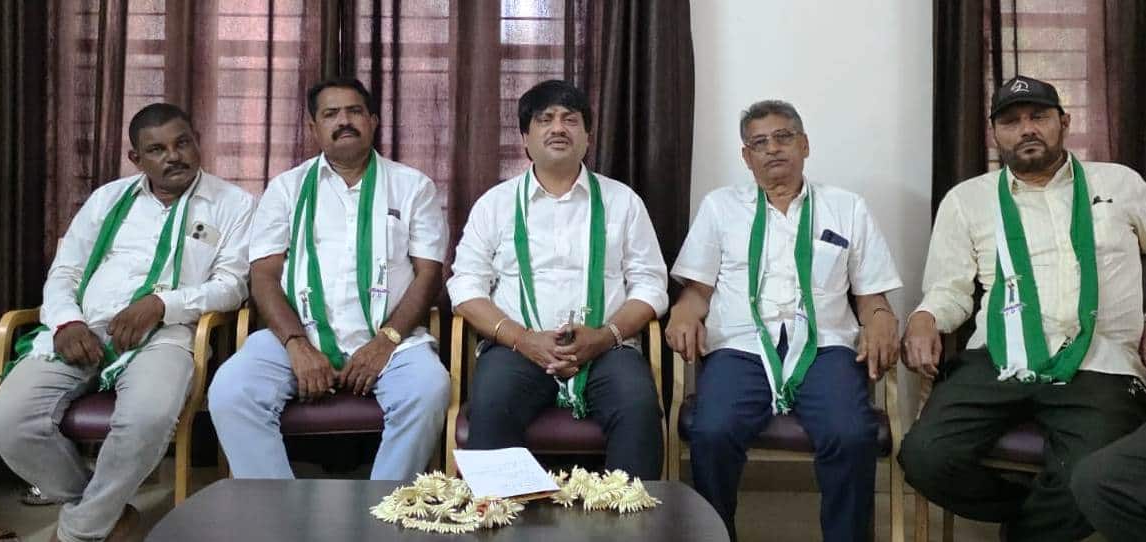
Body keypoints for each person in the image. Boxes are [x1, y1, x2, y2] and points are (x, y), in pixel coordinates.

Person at [898, 75, 1146, 541]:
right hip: (998, 357)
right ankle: (1030, 517)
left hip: (1099, 362)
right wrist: (925, 318)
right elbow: (949, 290)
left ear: (1063, 123)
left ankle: (1039, 523)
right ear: (995, 134)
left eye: (1038, 116)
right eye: (1011, 121)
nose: (1026, 128)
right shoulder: (967, 200)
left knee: (1092, 475)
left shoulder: (1122, 183)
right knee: (925, 458)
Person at [0, 103, 254, 542]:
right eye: (157, 149)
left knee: (148, 417)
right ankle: (107, 516)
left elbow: (232, 285)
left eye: (182, 143)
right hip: (85, 329)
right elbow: (65, 272)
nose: (174, 156)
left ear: (197, 142)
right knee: (7, 419)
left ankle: (78, 532)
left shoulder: (234, 204)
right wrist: (67, 322)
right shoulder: (108, 199)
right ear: (136, 158)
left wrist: (162, 304)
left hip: (167, 335)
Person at [666, 100, 902, 541]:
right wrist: (682, 313)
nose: (772, 148)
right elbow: (697, 292)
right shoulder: (720, 207)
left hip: (824, 347)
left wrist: (881, 318)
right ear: (746, 156)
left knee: (852, 434)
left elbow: (872, 296)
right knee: (711, 431)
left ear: (805, 145)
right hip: (740, 347)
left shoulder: (847, 207)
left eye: (783, 137)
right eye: (759, 142)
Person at [207, 78, 450, 480]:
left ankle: (384, 507)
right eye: (331, 114)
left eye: (354, 111)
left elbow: (429, 274)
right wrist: (297, 344)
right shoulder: (286, 189)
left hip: (393, 339)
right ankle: (273, 509)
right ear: (313, 127)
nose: (344, 121)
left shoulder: (412, 186)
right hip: (296, 336)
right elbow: (264, 276)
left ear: (373, 121)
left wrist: (386, 341)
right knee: (232, 391)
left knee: (429, 389)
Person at [447, 79, 668, 480]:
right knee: (492, 403)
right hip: (516, 348)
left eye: (570, 119)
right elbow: (465, 287)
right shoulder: (495, 204)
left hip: (607, 347)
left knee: (638, 406)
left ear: (588, 137)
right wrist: (522, 338)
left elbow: (651, 284)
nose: (558, 128)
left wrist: (604, 336)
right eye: (544, 119)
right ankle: (501, 512)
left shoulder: (623, 202)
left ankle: (627, 515)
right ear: (525, 139)